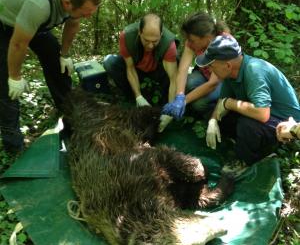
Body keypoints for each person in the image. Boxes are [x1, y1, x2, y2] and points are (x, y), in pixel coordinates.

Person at [0, 0, 101, 153]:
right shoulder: (39, 5)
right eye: (86, 12)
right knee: (5, 84)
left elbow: (72, 24)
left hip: (34, 24)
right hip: (4, 23)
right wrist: (15, 76)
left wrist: (64, 54)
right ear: (68, 3)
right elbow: (18, 44)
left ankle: (70, 114)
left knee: (58, 65)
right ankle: (14, 147)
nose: (89, 16)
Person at [196, 35, 300, 166]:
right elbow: (222, 101)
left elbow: (262, 114)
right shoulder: (230, 73)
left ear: (227, 65)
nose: (209, 70)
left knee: (247, 125)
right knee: (213, 111)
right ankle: (241, 143)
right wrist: (213, 120)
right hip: (263, 116)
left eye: (211, 65)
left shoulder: (254, 70)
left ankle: (247, 162)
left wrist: (229, 103)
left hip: (285, 123)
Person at [161, 12, 230, 124]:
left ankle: (216, 110)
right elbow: (183, 70)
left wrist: (183, 101)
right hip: (205, 76)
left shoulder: (223, 43)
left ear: (206, 38)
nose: (189, 42)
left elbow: (213, 83)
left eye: (192, 40)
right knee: (189, 81)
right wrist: (179, 96)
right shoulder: (192, 42)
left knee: (198, 104)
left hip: (224, 83)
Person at [103, 13, 178, 111]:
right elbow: (130, 68)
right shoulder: (127, 36)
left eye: (155, 41)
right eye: (146, 40)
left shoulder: (169, 44)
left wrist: (171, 107)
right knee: (110, 62)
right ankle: (132, 97)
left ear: (161, 35)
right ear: (140, 32)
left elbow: (173, 80)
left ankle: (161, 103)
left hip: (157, 73)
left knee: (177, 65)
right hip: (137, 70)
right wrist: (138, 96)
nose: (150, 46)